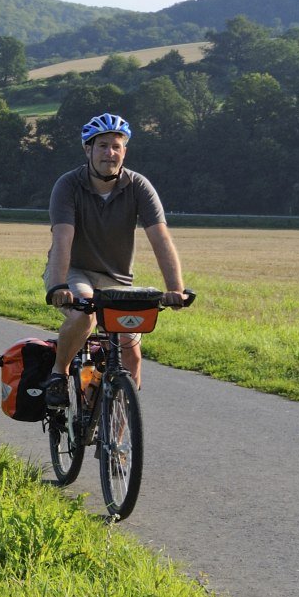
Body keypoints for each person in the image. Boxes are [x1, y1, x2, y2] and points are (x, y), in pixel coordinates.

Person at [41, 112, 189, 407]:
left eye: (116, 146)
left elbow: (160, 238)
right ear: (88, 150)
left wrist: (176, 289)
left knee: (131, 351)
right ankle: (58, 374)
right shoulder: (68, 185)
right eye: (102, 145)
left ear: (125, 151)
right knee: (85, 314)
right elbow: (63, 238)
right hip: (75, 271)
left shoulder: (139, 186)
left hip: (117, 279)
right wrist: (58, 285)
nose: (110, 152)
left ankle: (118, 443)